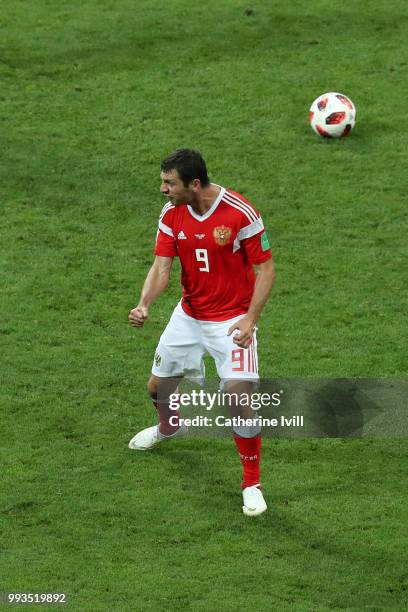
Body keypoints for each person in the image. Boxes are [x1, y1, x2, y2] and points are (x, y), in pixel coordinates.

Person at [128, 149, 275, 516]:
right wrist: (145, 303)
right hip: (190, 316)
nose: (163, 189)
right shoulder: (171, 213)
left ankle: (251, 483)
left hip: (232, 321)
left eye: (169, 183)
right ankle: (170, 427)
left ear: (194, 184)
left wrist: (250, 320)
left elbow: (266, 270)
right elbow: (162, 267)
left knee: (239, 398)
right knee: (157, 388)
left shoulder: (240, 213)